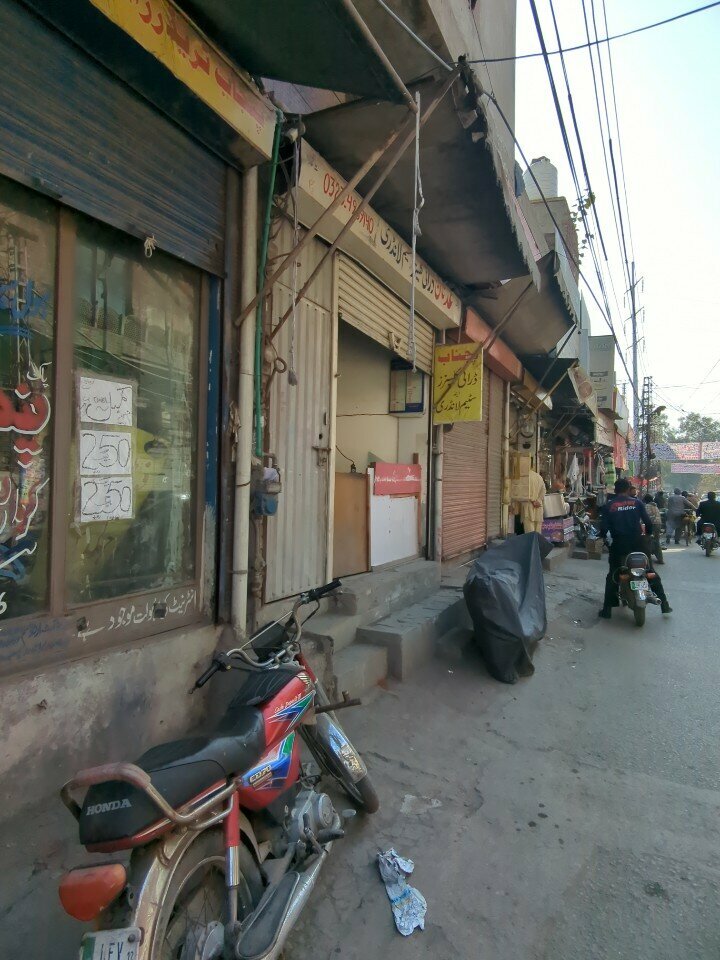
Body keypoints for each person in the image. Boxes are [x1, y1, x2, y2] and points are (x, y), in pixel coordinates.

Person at [598, 478, 671, 618]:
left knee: (613, 575)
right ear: (628, 489)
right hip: (639, 544)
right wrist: (647, 535)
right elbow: (647, 523)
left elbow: (604, 528)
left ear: (615, 489)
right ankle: (665, 605)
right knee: (650, 572)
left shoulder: (610, 505)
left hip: (619, 544)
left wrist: (603, 537)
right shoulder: (637, 503)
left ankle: (607, 610)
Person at [521, 465, 547, 534]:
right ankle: (536, 545)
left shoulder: (524, 477)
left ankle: (532, 545)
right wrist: (538, 500)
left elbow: (522, 492)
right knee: (538, 532)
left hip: (528, 507)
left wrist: (532, 501)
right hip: (538, 507)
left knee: (529, 532)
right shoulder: (539, 477)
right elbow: (543, 490)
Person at [643, 494, 664, 564]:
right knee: (656, 541)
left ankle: (647, 559)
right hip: (658, 524)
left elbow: (648, 517)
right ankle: (660, 559)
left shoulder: (647, 506)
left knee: (648, 541)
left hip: (652, 524)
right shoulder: (655, 505)